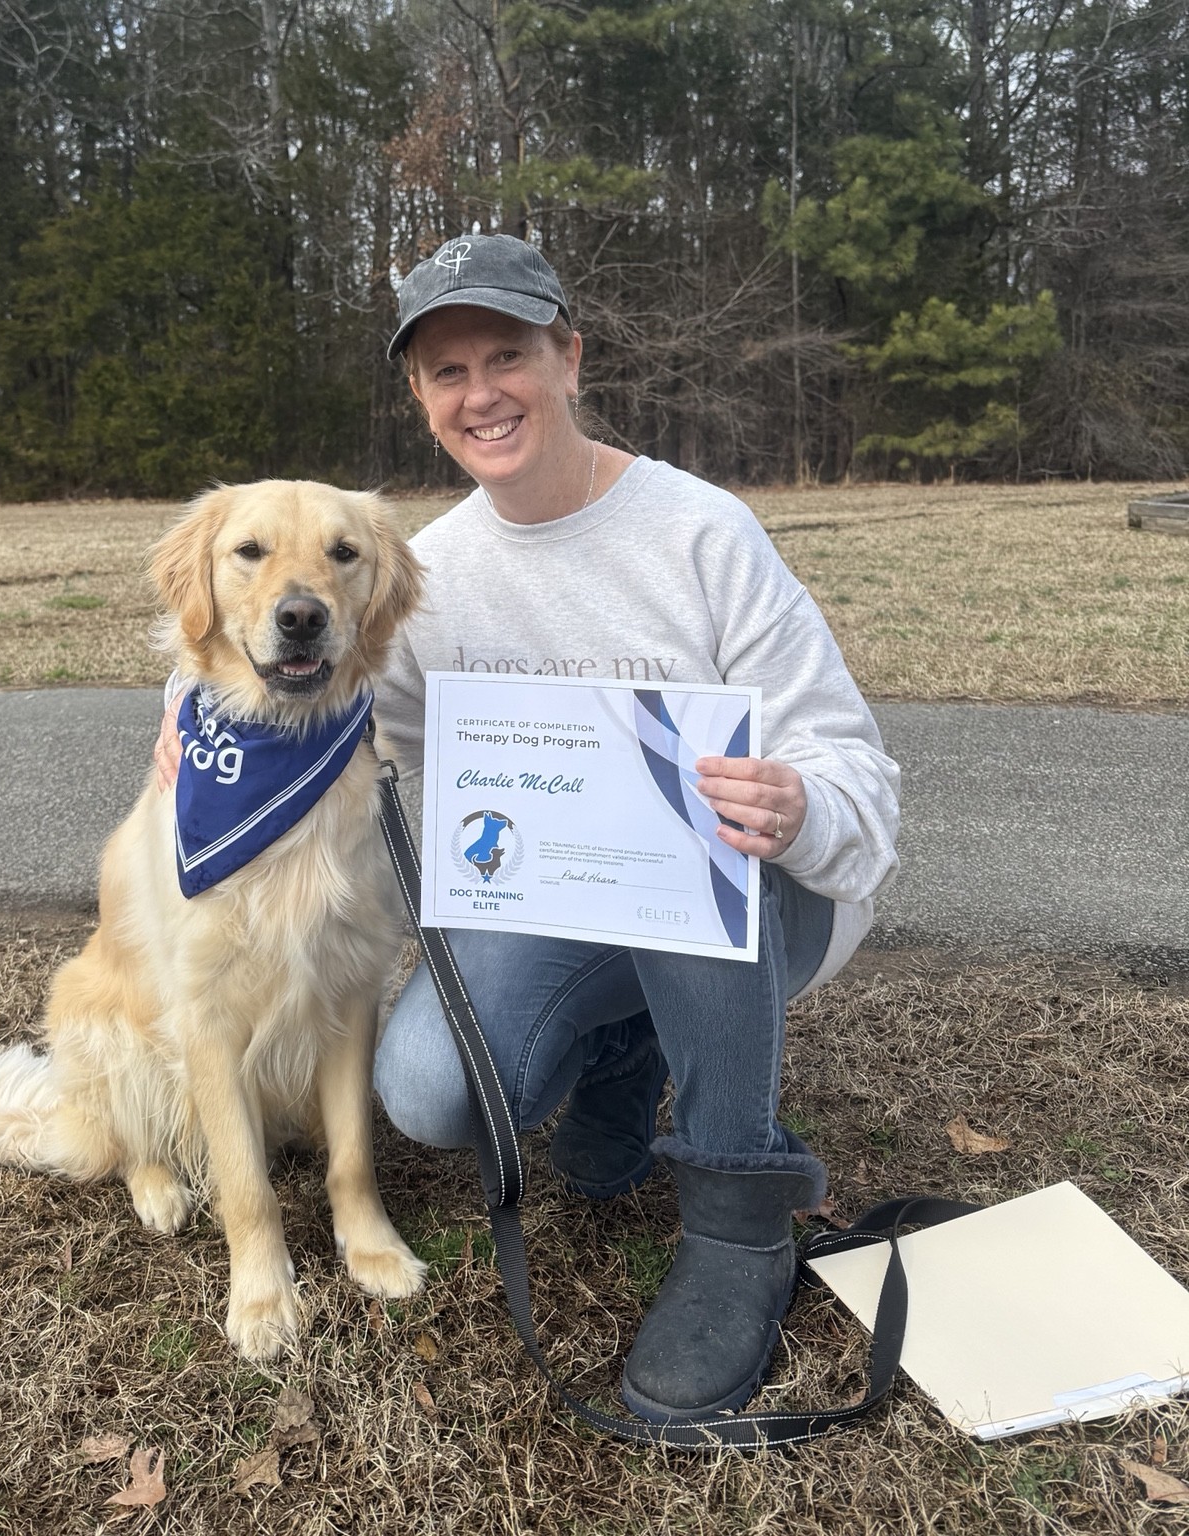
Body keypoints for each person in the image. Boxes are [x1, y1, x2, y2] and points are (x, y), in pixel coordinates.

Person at [157, 233, 900, 1427]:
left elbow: (855, 768)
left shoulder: (703, 533)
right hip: (569, 909)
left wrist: (801, 800)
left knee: (701, 854)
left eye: (508, 354)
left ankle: (733, 1225)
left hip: (754, 903)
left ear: (568, 357)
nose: (481, 391)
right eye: (447, 372)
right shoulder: (420, 574)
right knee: (427, 1089)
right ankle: (626, 1051)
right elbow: (319, 682)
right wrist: (184, 721)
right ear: (421, 397)